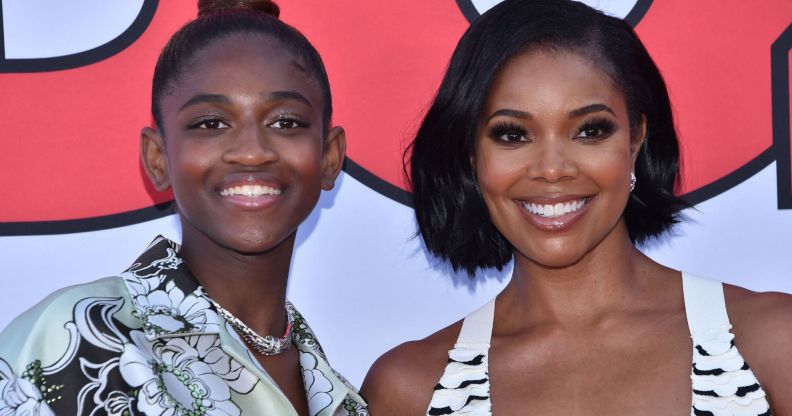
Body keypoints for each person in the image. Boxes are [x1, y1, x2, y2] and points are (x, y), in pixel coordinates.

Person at [360, 0, 792, 414]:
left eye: (589, 130)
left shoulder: (773, 342)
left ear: (636, 138)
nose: (552, 170)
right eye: (512, 134)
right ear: (472, 154)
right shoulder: (409, 390)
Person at [0, 1, 367, 415]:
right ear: (158, 159)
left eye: (285, 122)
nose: (251, 153)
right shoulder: (81, 337)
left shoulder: (343, 399)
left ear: (330, 157)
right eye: (210, 123)